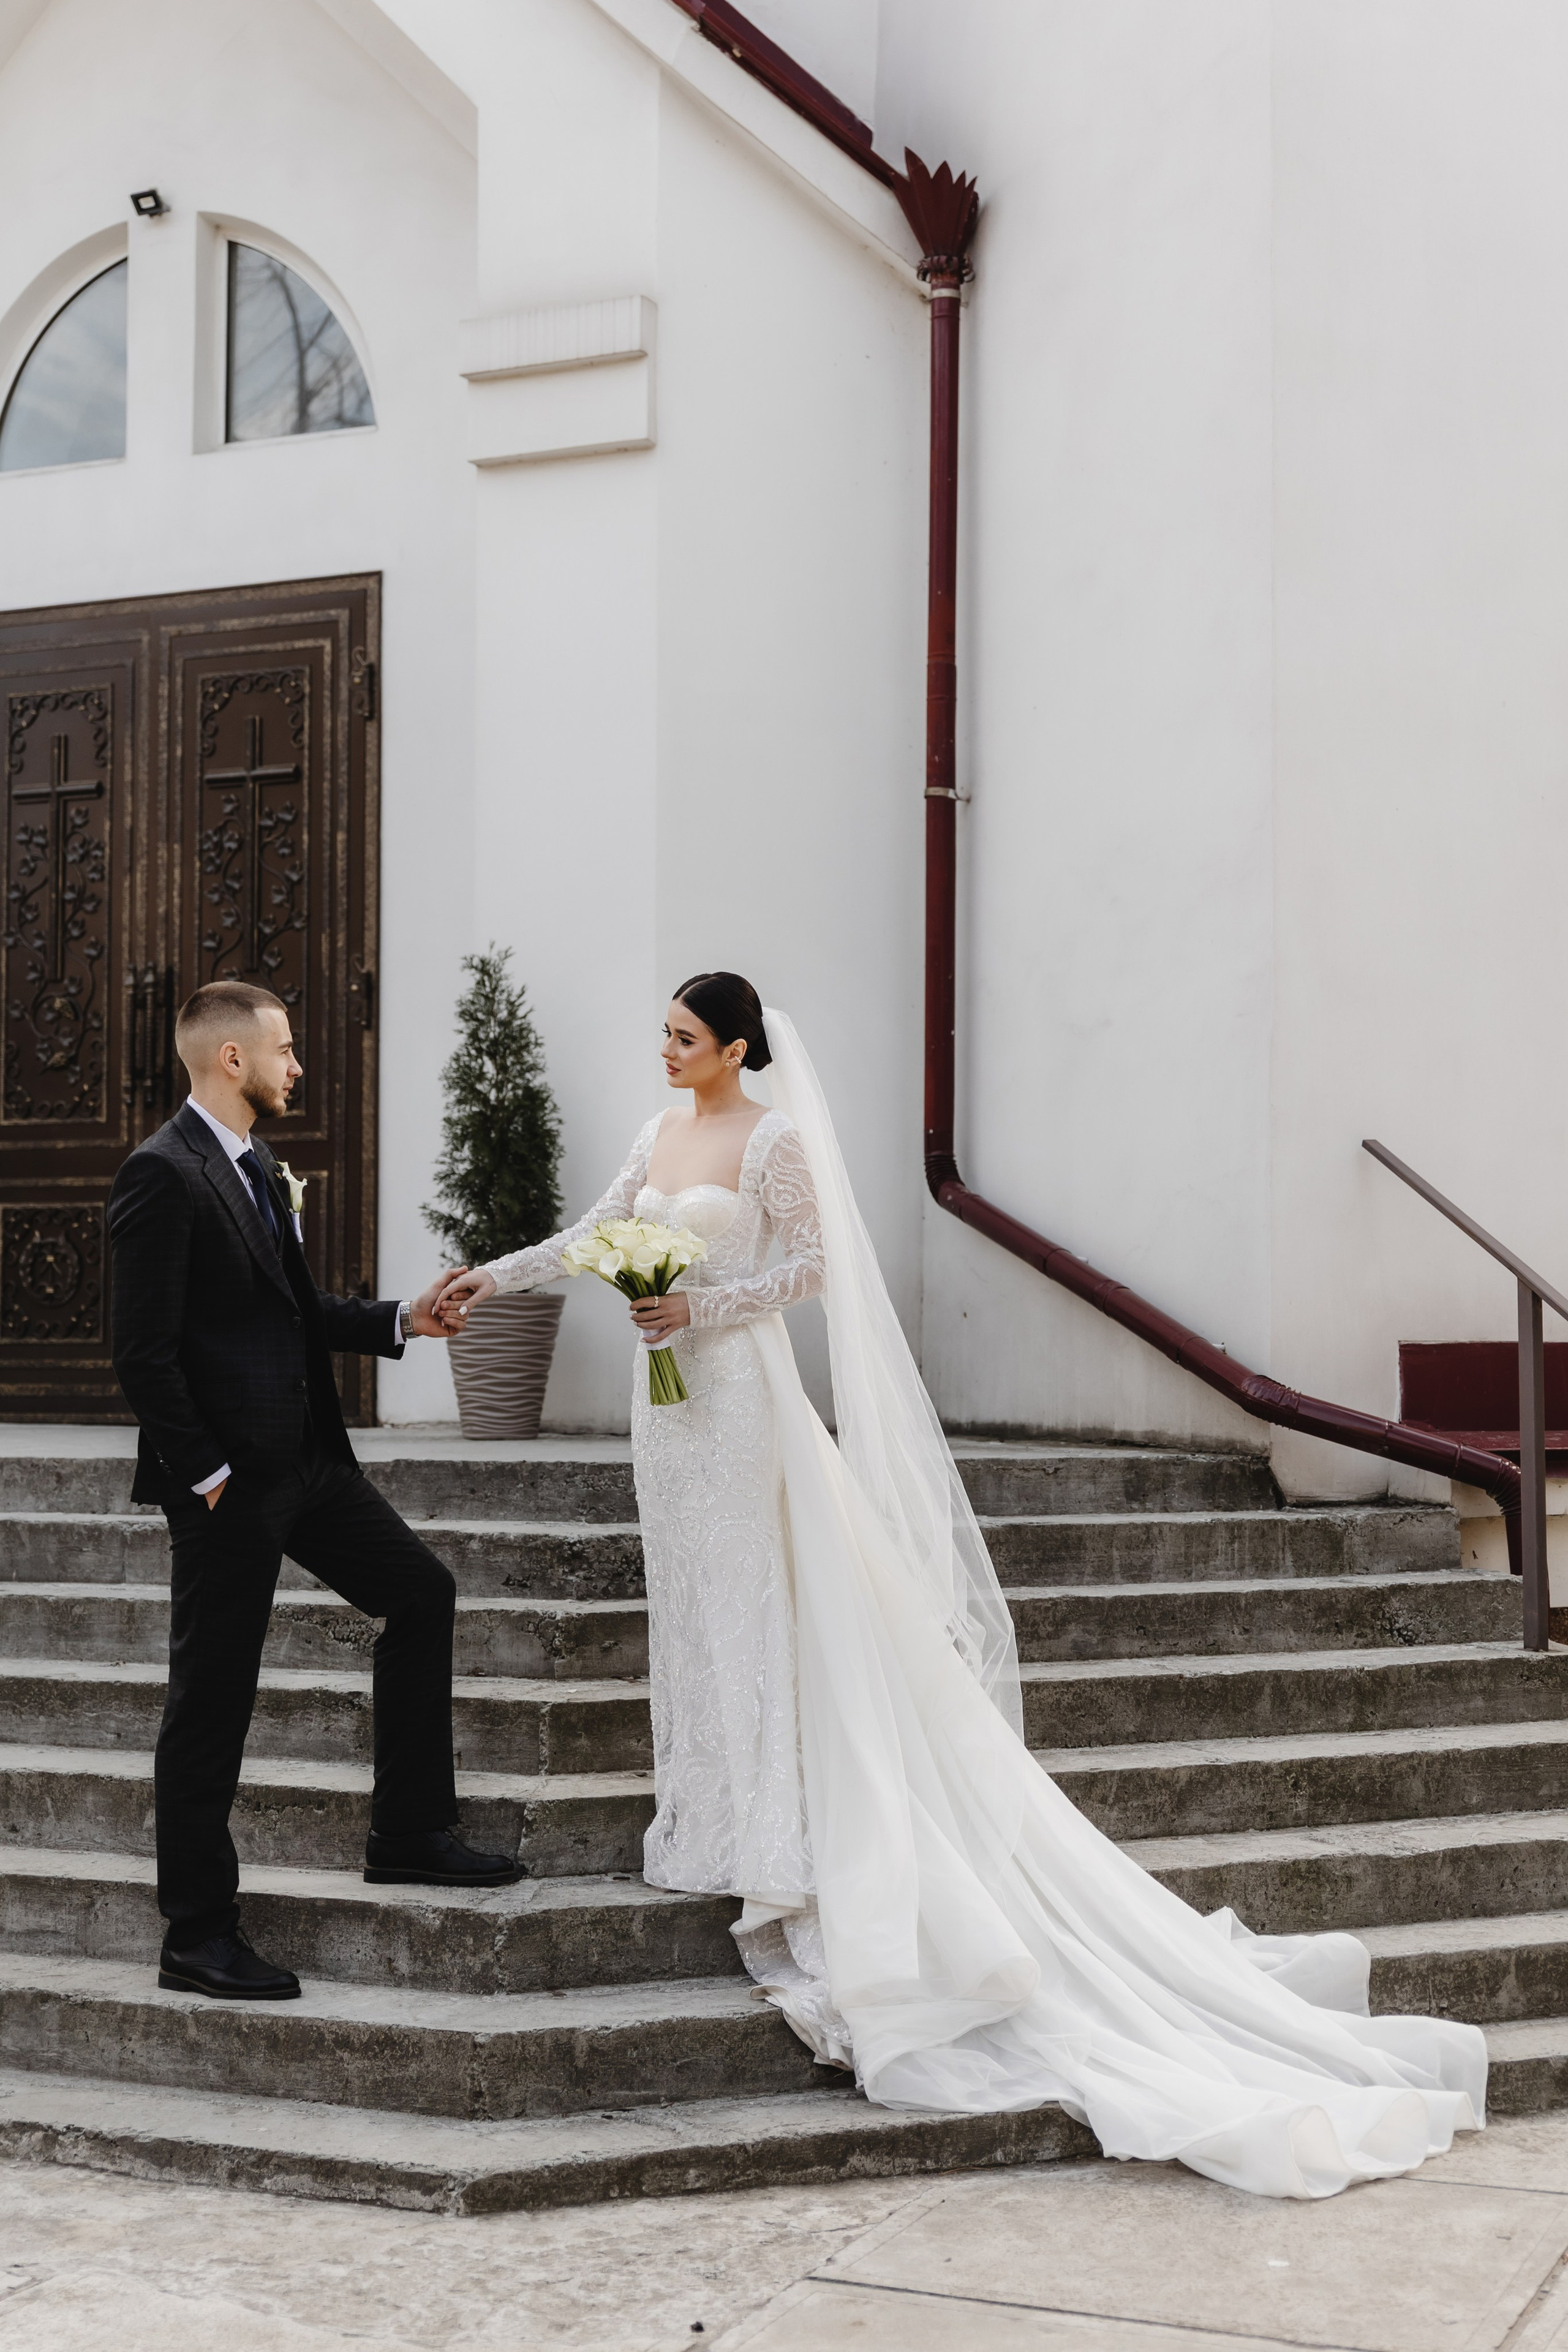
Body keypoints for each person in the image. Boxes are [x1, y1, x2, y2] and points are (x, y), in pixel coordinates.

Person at [435, 971, 1487, 2199]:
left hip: (737, 1394)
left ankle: (779, 1836)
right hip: (664, 1416)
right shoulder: (657, 1131)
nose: (664, 1051)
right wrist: (488, 1278)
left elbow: (813, 1270)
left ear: (735, 1048)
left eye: (684, 1037)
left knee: (761, 1604)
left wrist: (699, 1302)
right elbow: (594, 1232)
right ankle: (709, 1813)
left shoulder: (771, 1141)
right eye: (662, 1034)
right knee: (696, 1606)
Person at [108, 979, 520, 2003]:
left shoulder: (256, 1165)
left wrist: (404, 1320)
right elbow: (142, 1353)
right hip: (230, 1484)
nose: (297, 1066)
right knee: (212, 1701)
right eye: (285, 1050)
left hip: (308, 1462)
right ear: (232, 1060)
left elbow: (297, 1312)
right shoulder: (162, 1173)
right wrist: (206, 1475)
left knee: (420, 1594)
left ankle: (409, 1834)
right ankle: (197, 1935)